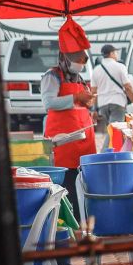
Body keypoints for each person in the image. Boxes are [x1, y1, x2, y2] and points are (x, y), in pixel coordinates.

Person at [41, 17, 99, 214]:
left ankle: (83, 221)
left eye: (82, 59)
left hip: (84, 143)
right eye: (75, 59)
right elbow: (49, 103)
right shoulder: (52, 76)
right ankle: (69, 223)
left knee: (84, 185)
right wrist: (76, 96)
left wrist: (88, 104)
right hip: (64, 144)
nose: (79, 63)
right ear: (65, 57)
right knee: (68, 189)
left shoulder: (80, 78)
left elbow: (80, 104)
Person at [92, 44, 133, 135]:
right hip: (117, 102)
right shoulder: (120, 67)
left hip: (103, 105)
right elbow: (128, 87)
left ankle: (114, 149)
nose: (116, 54)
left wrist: (94, 109)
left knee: (111, 130)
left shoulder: (96, 70)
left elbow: (93, 91)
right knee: (115, 132)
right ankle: (105, 149)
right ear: (112, 53)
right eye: (116, 52)